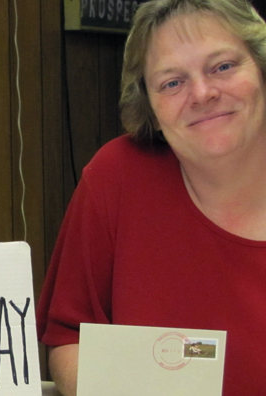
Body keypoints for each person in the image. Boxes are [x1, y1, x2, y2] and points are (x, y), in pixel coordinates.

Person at [36, 0, 266, 395]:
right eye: (172, 82)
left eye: (223, 66)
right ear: (150, 106)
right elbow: (70, 336)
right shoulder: (117, 178)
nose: (202, 93)